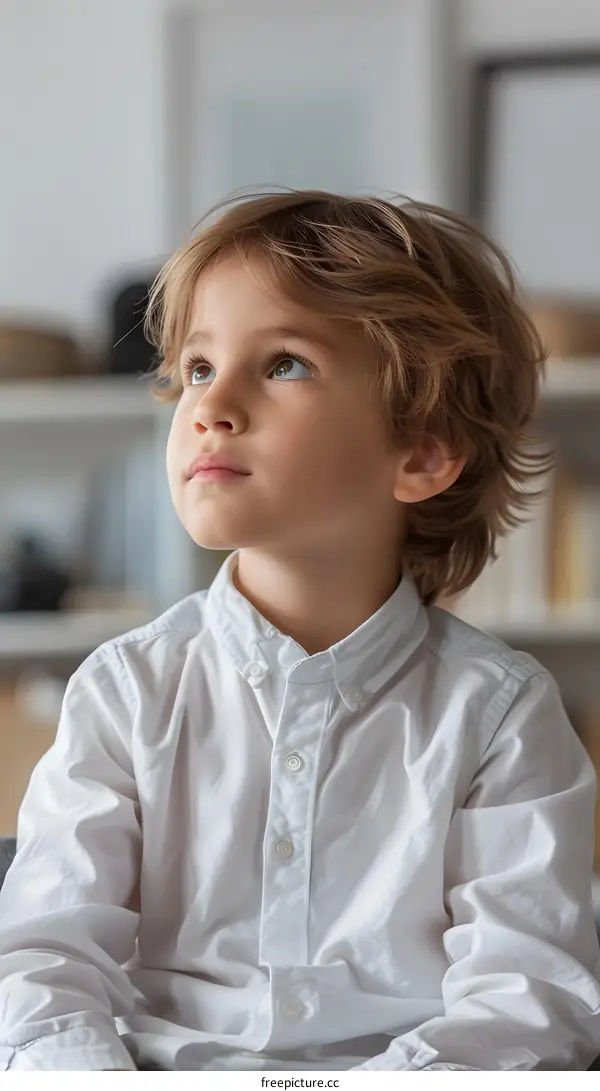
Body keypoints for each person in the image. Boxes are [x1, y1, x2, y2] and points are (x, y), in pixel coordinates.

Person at [1, 189, 599, 1072]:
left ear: (422, 451)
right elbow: (43, 962)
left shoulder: (501, 715)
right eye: (199, 368)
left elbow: (530, 998)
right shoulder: (124, 692)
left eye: (282, 364)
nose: (212, 404)